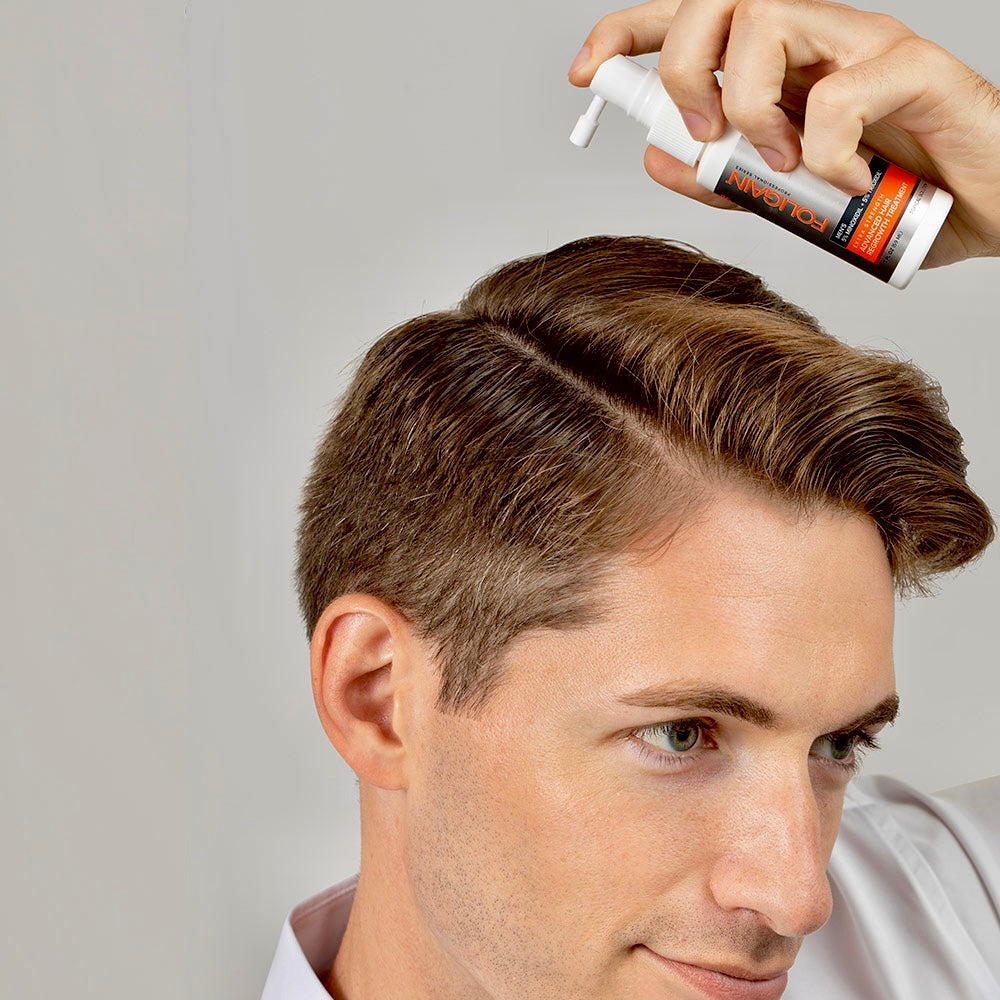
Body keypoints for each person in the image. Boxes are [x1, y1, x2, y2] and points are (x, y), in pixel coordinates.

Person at [261, 3, 1000, 999]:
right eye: (683, 734)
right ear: (379, 698)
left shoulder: (947, 918)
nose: (796, 897)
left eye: (838, 746)